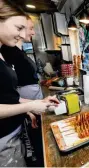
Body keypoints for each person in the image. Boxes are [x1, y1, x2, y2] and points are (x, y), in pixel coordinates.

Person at [0, 1, 59, 166]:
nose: (22, 33)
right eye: (19, 28)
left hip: (11, 135)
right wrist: (29, 107)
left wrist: (36, 103)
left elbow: (7, 97)